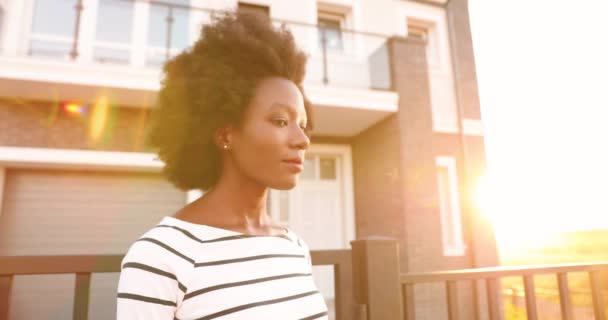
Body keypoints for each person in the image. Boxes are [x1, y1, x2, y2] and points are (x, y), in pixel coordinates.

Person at [116, 11, 328, 320]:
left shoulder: (293, 246)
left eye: (303, 125)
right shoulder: (160, 256)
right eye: (281, 121)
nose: (302, 140)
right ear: (226, 134)